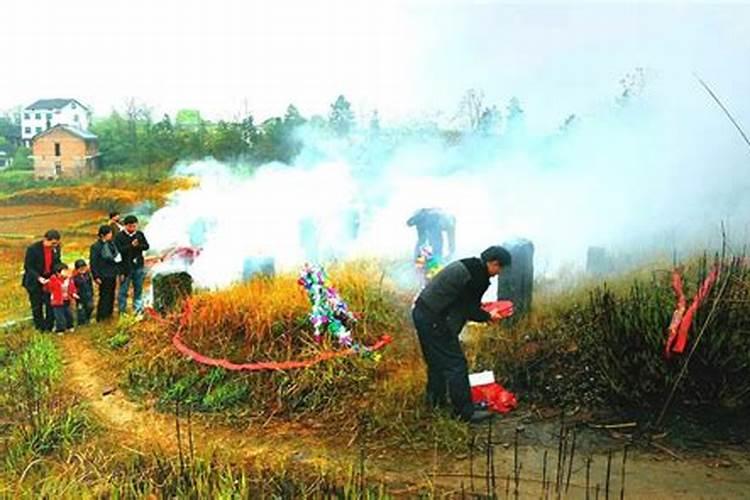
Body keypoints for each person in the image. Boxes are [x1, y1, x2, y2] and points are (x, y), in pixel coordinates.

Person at [412, 246, 512, 423]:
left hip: (422, 312)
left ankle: (435, 402)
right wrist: (489, 316)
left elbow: (462, 301)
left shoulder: (470, 265)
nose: (498, 274)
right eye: (499, 268)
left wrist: (481, 311)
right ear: (494, 263)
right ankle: (464, 412)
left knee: (436, 361)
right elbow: (468, 308)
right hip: (434, 319)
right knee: (456, 364)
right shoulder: (478, 277)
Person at [21, 229, 62, 332]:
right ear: (45, 239)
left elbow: (57, 262)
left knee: (50, 304)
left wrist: (59, 271)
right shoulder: (33, 249)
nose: (54, 246)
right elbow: (28, 267)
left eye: (56, 244)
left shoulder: (56, 248)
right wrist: (39, 278)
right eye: (52, 243)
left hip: (49, 280)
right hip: (34, 281)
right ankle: (40, 329)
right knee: (37, 306)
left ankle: (49, 327)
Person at [115, 215, 150, 314]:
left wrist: (138, 245)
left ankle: (137, 310)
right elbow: (119, 251)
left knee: (138, 289)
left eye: (134, 226)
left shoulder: (139, 234)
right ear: (125, 226)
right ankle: (122, 312)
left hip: (138, 266)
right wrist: (131, 245)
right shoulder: (119, 236)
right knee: (123, 291)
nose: (132, 228)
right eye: (130, 226)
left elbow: (146, 246)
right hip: (125, 268)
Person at [90, 225, 121, 321]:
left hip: (112, 273)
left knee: (111, 294)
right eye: (109, 233)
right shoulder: (96, 246)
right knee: (104, 295)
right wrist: (96, 276)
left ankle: (109, 314)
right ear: (103, 235)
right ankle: (101, 316)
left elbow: (116, 256)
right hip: (103, 274)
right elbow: (93, 262)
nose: (111, 235)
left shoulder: (111, 244)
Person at [46, 263, 78, 335]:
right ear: (58, 272)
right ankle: (60, 329)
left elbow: (72, 288)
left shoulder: (69, 279)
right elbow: (49, 288)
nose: (66, 272)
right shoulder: (53, 280)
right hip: (57, 302)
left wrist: (73, 294)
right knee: (59, 316)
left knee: (69, 314)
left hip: (66, 300)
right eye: (64, 271)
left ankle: (70, 326)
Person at [73, 259, 95, 326]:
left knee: (90, 307)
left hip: (88, 294)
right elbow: (74, 287)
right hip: (80, 296)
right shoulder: (75, 277)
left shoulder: (88, 275)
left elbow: (90, 284)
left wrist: (92, 292)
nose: (82, 269)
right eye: (80, 268)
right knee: (81, 310)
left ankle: (87, 319)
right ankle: (81, 323)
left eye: (84, 267)